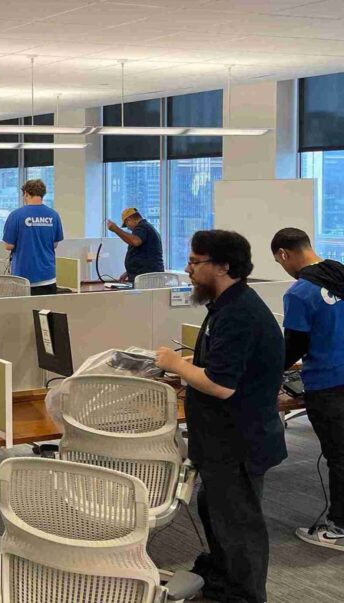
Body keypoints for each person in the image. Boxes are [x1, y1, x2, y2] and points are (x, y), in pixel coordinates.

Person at [154, 230, 285, 603]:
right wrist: (183, 367)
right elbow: (223, 366)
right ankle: (222, 580)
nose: (187, 269)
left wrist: (178, 364)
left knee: (239, 525)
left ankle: (244, 595)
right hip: (222, 441)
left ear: (224, 266)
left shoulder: (239, 314)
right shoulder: (227, 306)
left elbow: (221, 385)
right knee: (215, 514)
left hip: (239, 442)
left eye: (195, 262)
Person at [271, 227, 344, 550]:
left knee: (339, 457)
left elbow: (293, 347)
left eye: (279, 261)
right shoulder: (340, 274)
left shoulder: (300, 292)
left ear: (285, 254)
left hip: (328, 384)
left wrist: (268, 375)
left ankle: (339, 528)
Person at [2, 179, 64, 295]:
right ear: (42, 194)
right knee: (46, 312)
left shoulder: (16, 215)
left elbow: (8, 246)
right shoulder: (53, 215)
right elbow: (55, 244)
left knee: (22, 313)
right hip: (48, 277)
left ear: (26, 193)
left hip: (23, 278)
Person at [107, 207, 164, 284]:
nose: (128, 228)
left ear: (129, 219)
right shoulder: (148, 228)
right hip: (147, 277)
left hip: (147, 280)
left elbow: (135, 241)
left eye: (126, 224)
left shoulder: (142, 227)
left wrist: (115, 229)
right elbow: (145, 255)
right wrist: (129, 272)